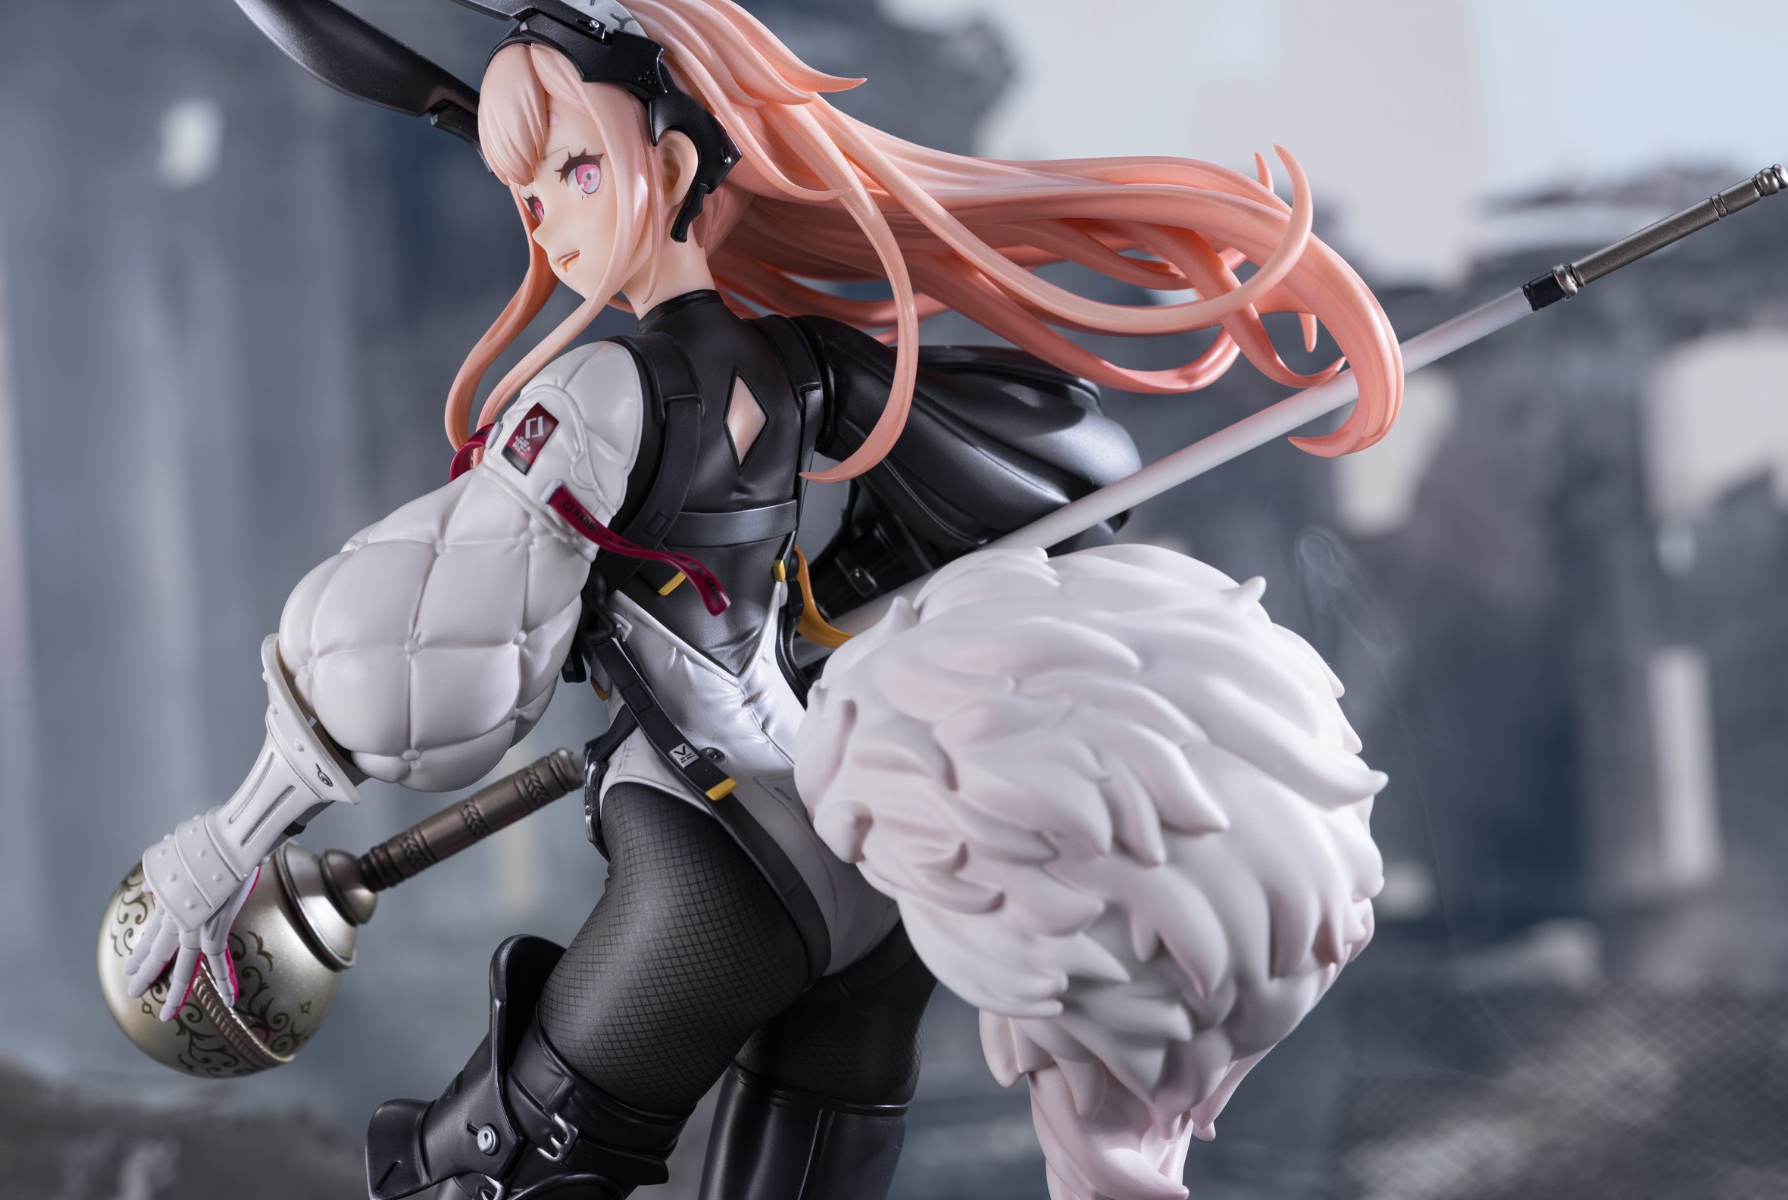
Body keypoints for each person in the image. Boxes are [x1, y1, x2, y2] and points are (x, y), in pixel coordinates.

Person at [123, 2, 1404, 1197]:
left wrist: (229, 846)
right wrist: (835, 620)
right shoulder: (799, 366)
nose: (548, 220)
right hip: (849, 864)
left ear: (676, 169)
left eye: (574, 171)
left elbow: (415, 667)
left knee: (475, 1175)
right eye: (527, 189)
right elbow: (1070, 478)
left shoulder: (596, 399)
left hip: (718, 872)